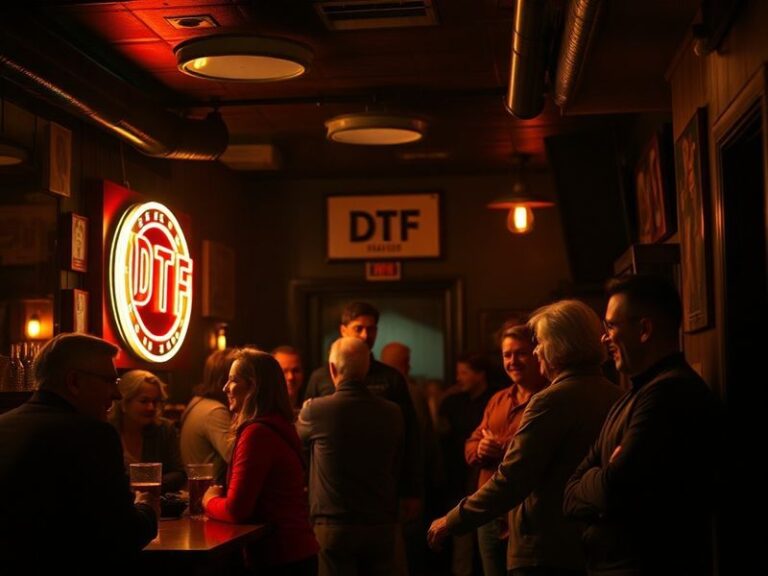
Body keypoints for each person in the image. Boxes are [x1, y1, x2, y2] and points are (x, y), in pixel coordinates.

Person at [429, 300, 621, 576]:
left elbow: (514, 478)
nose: (537, 350)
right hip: (589, 543)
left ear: (560, 345)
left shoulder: (550, 401)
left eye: (539, 343)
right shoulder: (615, 395)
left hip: (544, 547)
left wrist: (451, 520)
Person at [563, 275, 722, 575]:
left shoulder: (669, 394)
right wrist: (604, 475)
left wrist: (600, 478)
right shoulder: (631, 398)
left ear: (644, 329)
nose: (603, 338)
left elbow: (613, 489)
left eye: (611, 326)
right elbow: (569, 493)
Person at [0, 333, 157, 573]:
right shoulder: (93, 435)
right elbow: (123, 535)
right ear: (74, 381)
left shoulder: (4, 425)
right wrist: (148, 509)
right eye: (109, 382)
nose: (117, 395)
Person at [203, 348, 318, 575]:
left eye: (233, 380)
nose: (225, 387)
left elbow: (237, 510)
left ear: (253, 387)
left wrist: (208, 500)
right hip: (296, 553)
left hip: (279, 556)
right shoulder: (279, 424)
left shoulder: (257, 432)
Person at [297, 337, 404, 576]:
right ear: (366, 368)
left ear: (333, 369)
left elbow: (294, 447)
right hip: (381, 522)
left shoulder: (316, 410)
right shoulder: (392, 412)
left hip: (333, 524)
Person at [304, 302, 421, 517]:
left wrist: (411, 490)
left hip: (380, 489)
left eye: (372, 328)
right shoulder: (321, 377)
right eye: (359, 328)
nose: (366, 335)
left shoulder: (391, 377)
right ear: (343, 330)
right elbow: (306, 438)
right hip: (331, 492)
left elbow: (409, 436)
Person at [464, 323, 548, 576]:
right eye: (506, 355)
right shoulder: (498, 399)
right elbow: (470, 445)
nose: (513, 361)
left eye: (520, 353)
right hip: (490, 512)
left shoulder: (550, 396)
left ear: (536, 353)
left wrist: (500, 447)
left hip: (528, 515)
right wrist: (480, 448)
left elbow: (539, 449)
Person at [437, 352, 497, 576]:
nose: (458, 378)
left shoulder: (494, 399)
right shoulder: (452, 402)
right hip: (457, 480)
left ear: (480, 375)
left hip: (486, 479)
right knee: (461, 541)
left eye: (464, 372)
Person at [109, 369, 186, 493]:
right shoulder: (108, 431)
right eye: (144, 401)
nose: (151, 407)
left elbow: (180, 473)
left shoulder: (165, 429)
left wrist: (150, 486)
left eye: (155, 401)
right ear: (124, 403)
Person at [180, 348, 235, 484]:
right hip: (208, 495)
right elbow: (237, 458)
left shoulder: (198, 402)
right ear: (225, 380)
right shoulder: (215, 412)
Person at [272, 345, 306, 410]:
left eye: (295, 371)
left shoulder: (310, 408)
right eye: (284, 371)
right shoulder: (262, 413)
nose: (291, 377)